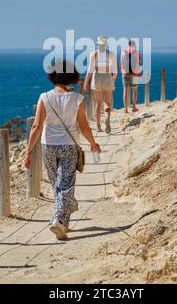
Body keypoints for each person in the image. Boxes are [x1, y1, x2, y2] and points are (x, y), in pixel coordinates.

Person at [24, 59, 101, 241]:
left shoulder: (44, 97)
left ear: (53, 75)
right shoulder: (76, 99)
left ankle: (61, 223)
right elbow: (83, 126)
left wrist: (28, 152)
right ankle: (58, 219)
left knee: (58, 186)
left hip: (48, 146)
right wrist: (93, 143)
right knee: (64, 186)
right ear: (71, 76)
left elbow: (36, 126)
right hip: (69, 145)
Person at [84, 36, 118, 133]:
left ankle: (98, 125)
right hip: (107, 76)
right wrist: (113, 80)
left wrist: (86, 82)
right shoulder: (111, 54)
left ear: (98, 45)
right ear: (105, 45)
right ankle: (107, 119)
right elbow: (115, 71)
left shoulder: (94, 54)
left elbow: (90, 70)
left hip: (96, 77)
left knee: (98, 103)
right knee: (107, 102)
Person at [120, 40, 142, 114]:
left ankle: (125, 109)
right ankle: (134, 107)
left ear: (128, 45)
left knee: (125, 91)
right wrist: (139, 73)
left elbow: (120, 64)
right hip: (134, 74)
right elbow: (138, 63)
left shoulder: (123, 52)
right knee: (135, 91)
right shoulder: (136, 52)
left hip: (125, 73)